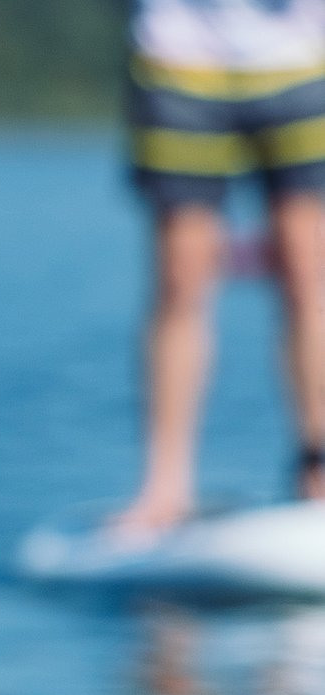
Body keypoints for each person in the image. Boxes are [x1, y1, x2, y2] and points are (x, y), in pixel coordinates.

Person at [116, 0, 325, 533]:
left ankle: (317, 470)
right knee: (179, 278)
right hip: (178, 58)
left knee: (307, 272)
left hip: (300, 56)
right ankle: (165, 489)